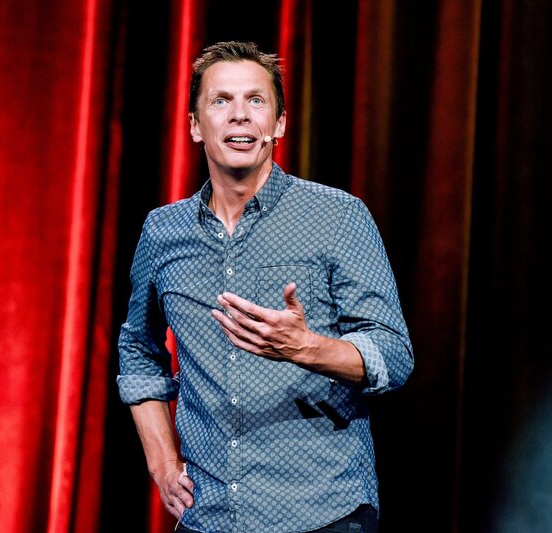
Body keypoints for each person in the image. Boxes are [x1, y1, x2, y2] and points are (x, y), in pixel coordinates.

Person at [117, 40, 413, 533]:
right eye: (221, 100)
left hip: (322, 512)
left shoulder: (338, 216)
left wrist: (305, 347)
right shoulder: (163, 231)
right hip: (209, 516)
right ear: (195, 125)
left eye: (256, 100)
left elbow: (393, 354)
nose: (240, 115)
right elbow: (137, 350)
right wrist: (163, 462)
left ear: (278, 124)